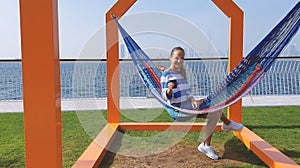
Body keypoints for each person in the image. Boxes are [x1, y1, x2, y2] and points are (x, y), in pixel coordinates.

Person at [160, 46, 243, 160]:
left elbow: (187, 92)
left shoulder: (181, 73)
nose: (179, 60)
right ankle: (225, 126)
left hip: (187, 105)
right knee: (214, 108)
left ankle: (208, 144)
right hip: (178, 110)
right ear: (170, 58)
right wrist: (169, 89)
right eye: (177, 57)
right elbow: (165, 96)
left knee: (214, 111)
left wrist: (193, 100)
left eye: (182, 58)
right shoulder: (166, 75)